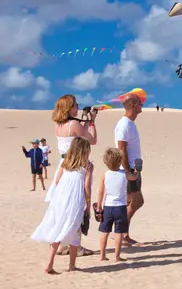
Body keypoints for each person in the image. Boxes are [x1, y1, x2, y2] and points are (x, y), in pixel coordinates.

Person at [31, 137, 93, 274]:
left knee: (58, 228)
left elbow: (58, 180)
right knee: (75, 229)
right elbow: (87, 186)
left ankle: (49, 263)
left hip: (61, 198)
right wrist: (88, 203)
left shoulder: (65, 163)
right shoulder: (87, 165)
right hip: (76, 199)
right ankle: (71, 265)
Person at [47, 95, 97, 257]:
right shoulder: (74, 123)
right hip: (76, 166)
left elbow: (76, 133)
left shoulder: (58, 125)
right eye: (76, 105)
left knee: (63, 207)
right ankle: (76, 245)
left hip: (63, 166)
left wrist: (85, 122)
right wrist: (92, 121)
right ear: (70, 107)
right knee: (77, 205)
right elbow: (91, 140)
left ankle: (62, 244)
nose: (78, 107)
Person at [96, 148, 139, 262]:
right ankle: (117, 256)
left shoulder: (105, 175)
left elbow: (101, 191)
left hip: (108, 207)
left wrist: (99, 205)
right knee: (119, 232)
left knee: (104, 232)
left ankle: (102, 255)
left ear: (105, 163)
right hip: (120, 207)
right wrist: (137, 171)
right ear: (120, 161)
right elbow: (133, 177)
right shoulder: (124, 174)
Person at [114, 92, 144, 246]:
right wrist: (128, 171)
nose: (142, 104)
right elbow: (121, 149)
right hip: (129, 170)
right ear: (132, 105)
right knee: (137, 201)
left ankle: (123, 234)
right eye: (139, 102)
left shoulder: (130, 123)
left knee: (131, 202)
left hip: (134, 169)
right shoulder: (124, 124)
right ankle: (121, 233)